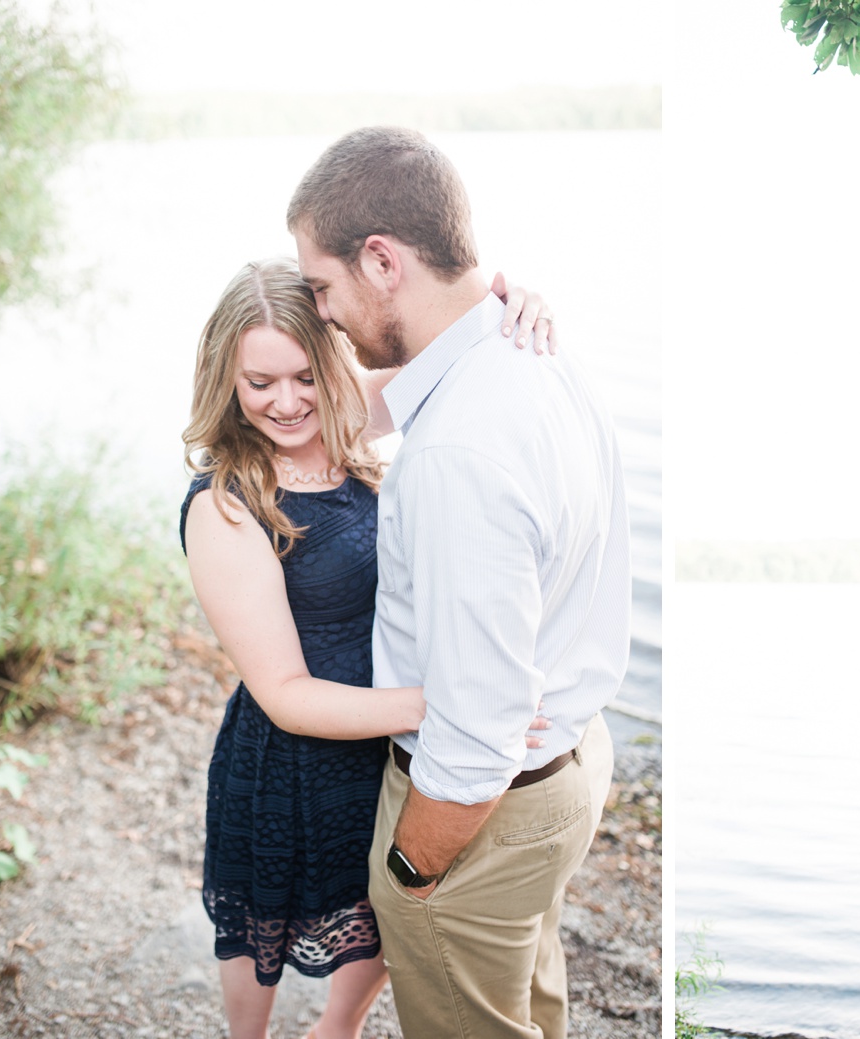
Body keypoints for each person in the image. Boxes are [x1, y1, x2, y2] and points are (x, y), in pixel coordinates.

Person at [286, 126, 630, 1039]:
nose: (323, 313)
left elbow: (475, 734)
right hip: (569, 759)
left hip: (486, 804)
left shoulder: (457, 454)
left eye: (323, 287)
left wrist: (406, 876)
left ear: (383, 260)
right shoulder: (536, 354)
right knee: (530, 1005)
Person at [180, 257, 555, 1039]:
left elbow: (454, 332)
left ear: (331, 363)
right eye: (260, 383)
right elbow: (282, 689)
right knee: (262, 931)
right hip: (292, 754)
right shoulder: (226, 506)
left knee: (382, 906)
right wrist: (453, 704)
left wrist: (513, 298)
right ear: (228, 380)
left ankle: (336, 1030)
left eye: (304, 376)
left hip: (386, 745)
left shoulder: (348, 420)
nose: (286, 402)